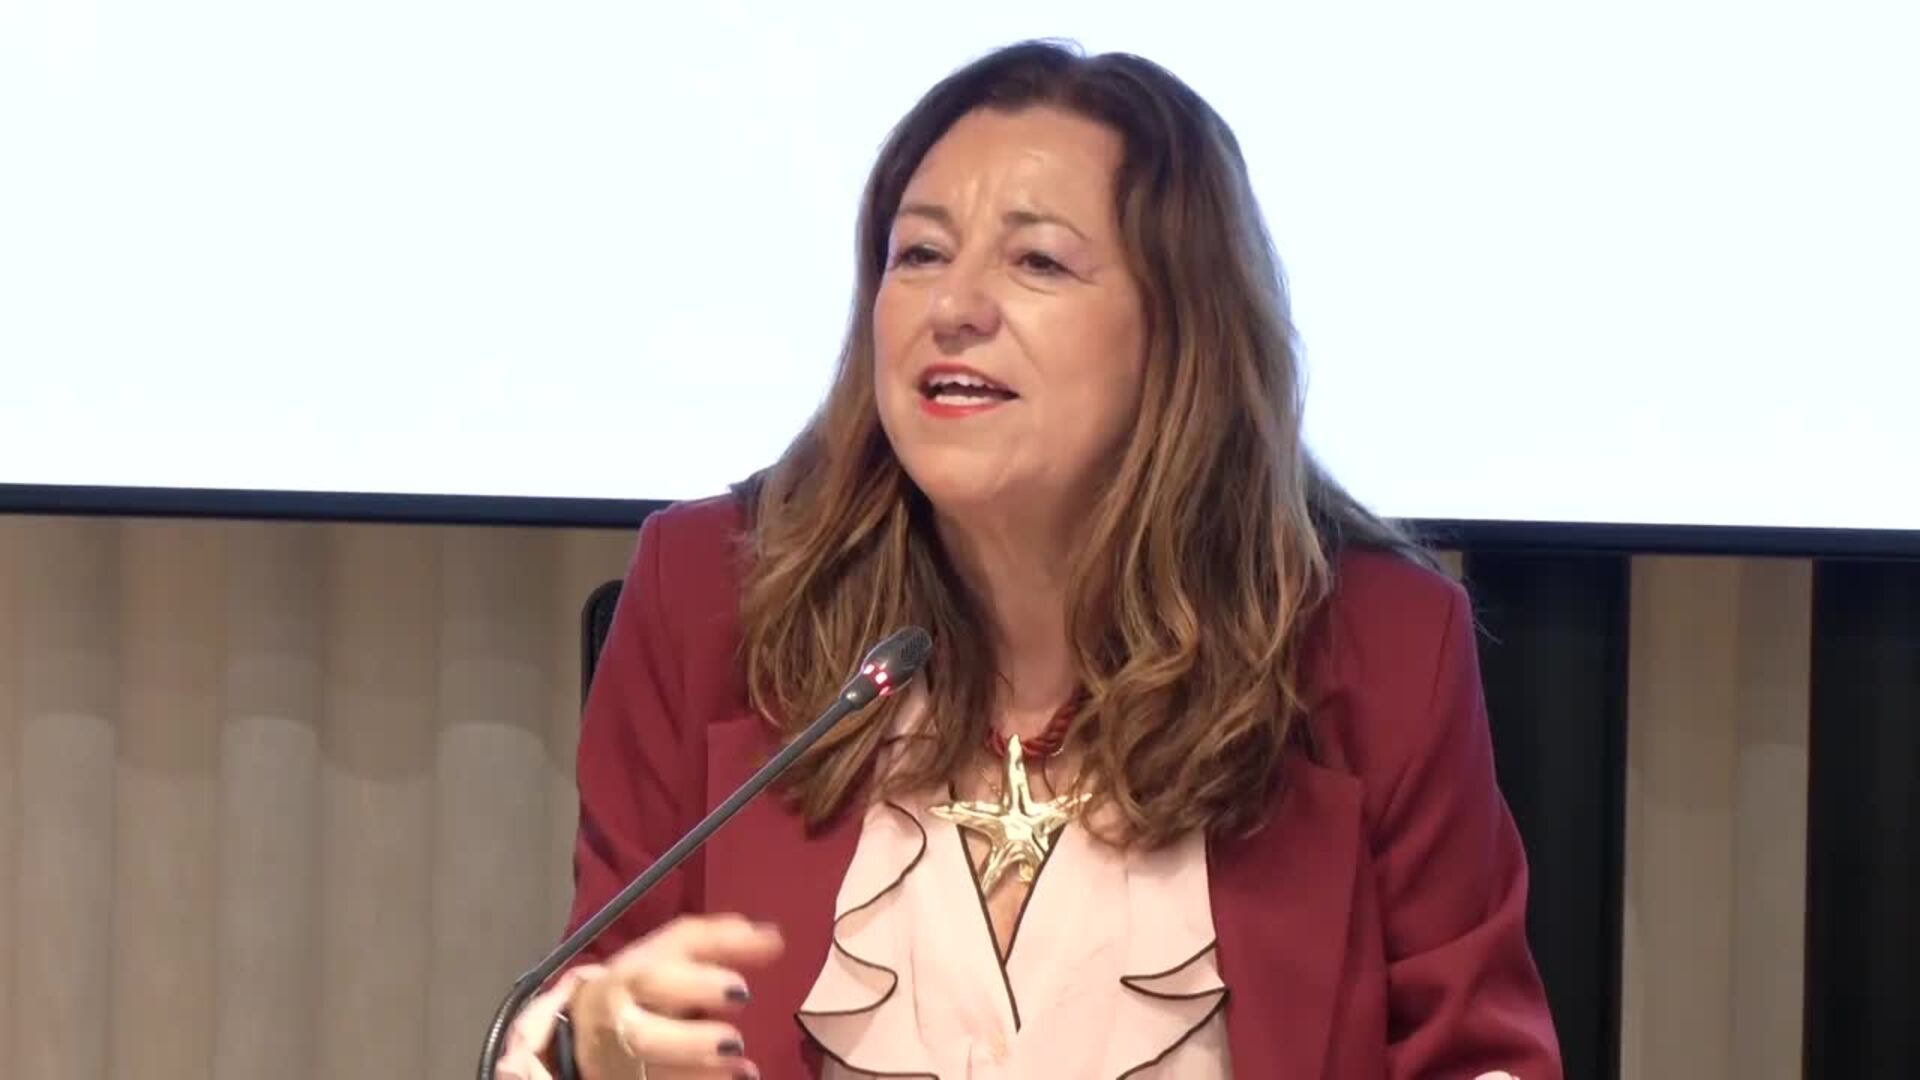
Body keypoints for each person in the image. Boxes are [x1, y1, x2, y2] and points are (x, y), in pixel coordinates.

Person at [501, 39, 1561, 1080]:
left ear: (1180, 333)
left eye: (1038, 261)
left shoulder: (1376, 646)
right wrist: (586, 1055)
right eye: (919, 254)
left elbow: (1476, 1054)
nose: (952, 308)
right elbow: (586, 1003)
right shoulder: (710, 597)